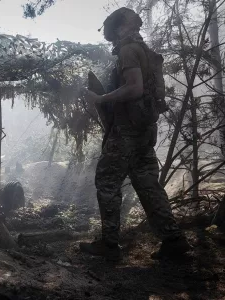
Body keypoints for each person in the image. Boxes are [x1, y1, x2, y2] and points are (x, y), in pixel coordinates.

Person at [82, 7, 191, 261]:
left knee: (107, 182)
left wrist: (101, 98)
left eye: (112, 33)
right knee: (147, 185)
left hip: (126, 132)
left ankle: (109, 245)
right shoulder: (143, 51)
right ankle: (173, 240)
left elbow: (135, 88)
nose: (112, 39)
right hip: (143, 131)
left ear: (120, 28)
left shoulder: (129, 51)